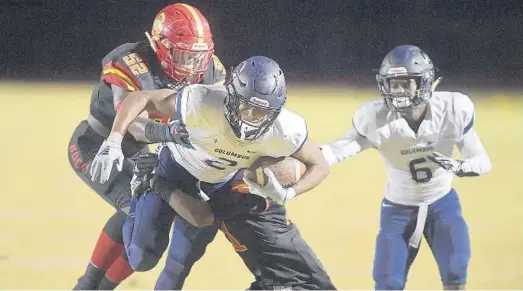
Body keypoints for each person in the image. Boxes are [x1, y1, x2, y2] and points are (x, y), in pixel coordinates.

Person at [90, 56, 331, 289]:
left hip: (218, 183)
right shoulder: (203, 101)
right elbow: (140, 98)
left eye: (260, 114)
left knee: (181, 262)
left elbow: (320, 164)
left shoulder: (286, 129)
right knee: (141, 258)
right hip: (173, 168)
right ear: (232, 96)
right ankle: (146, 180)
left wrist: (290, 193)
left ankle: (152, 184)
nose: (251, 119)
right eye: (246, 108)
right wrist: (114, 138)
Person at [69, 3, 225, 289]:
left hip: (142, 155)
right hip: (98, 145)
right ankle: (89, 286)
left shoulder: (210, 70)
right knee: (139, 213)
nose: (192, 66)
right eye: (183, 55)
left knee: (150, 217)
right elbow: (133, 124)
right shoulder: (130, 61)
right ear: (160, 46)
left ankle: (97, 287)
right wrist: (170, 132)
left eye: (197, 57)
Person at [320, 45, 492, 290]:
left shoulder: (453, 109)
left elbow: (483, 161)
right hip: (397, 210)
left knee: (455, 272)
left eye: (406, 83)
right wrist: (310, 158)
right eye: (394, 84)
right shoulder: (376, 117)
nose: (399, 91)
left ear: (424, 82)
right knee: (388, 282)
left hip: (441, 203)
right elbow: (340, 148)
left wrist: (459, 166)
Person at [130, 152, 337, 290]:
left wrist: (155, 181)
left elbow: (199, 216)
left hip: (300, 285)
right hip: (271, 281)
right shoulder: (234, 181)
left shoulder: (244, 193)